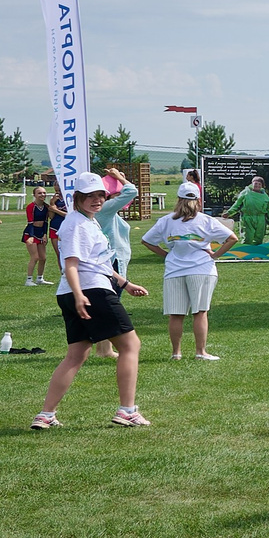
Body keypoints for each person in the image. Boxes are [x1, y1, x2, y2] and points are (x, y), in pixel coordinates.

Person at [34, 174, 153, 430]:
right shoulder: (77, 224)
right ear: (77, 198)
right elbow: (72, 264)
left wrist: (124, 283)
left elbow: (97, 262)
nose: (97, 200)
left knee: (76, 355)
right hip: (90, 292)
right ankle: (128, 411)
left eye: (100, 195)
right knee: (131, 345)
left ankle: (45, 415)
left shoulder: (87, 221)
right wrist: (79, 295)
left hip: (79, 290)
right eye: (90, 196)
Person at [139, 183, 234, 361]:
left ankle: (176, 353)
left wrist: (166, 254)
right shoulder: (206, 220)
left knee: (176, 313)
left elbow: (146, 241)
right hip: (202, 269)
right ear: (198, 200)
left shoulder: (166, 221)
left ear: (178, 199)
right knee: (200, 311)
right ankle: (201, 352)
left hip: (174, 269)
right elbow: (231, 238)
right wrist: (215, 255)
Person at [21, 183, 55, 285]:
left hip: (41, 233)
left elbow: (46, 221)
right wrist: (30, 236)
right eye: (39, 193)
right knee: (34, 257)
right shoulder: (31, 206)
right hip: (31, 233)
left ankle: (40, 278)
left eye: (44, 193)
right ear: (34, 195)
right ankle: (29, 279)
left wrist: (45, 234)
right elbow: (30, 222)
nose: (42, 195)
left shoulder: (46, 207)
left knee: (43, 258)